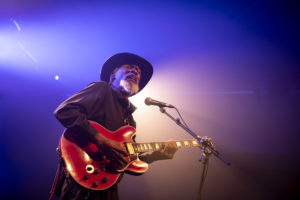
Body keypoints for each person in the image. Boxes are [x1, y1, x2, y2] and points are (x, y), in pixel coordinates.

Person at [49, 53, 178, 200]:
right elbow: (65, 111)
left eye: (138, 71)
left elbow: (128, 157)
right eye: (129, 67)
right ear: (112, 76)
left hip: (107, 185)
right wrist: (102, 140)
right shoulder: (102, 89)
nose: (135, 71)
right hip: (81, 181)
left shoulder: (130, 120)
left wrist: (157, 155)